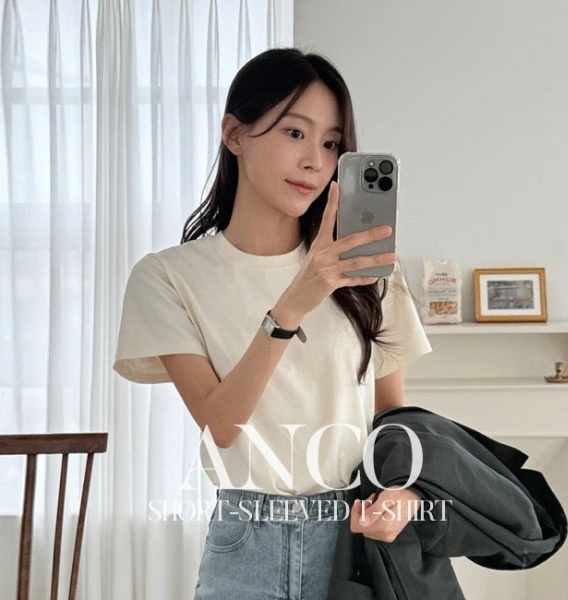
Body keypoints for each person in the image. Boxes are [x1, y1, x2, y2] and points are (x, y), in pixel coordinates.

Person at [113, 48, 432, 600]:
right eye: (294, 133)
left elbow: (393, 417)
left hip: (353, 542)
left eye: (331, 143)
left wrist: (403, 492)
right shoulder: (168, 276)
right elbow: (221, 426)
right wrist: (291, 306)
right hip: (245, 546)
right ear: (234, 134)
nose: (314, 161)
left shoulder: (368, 273)